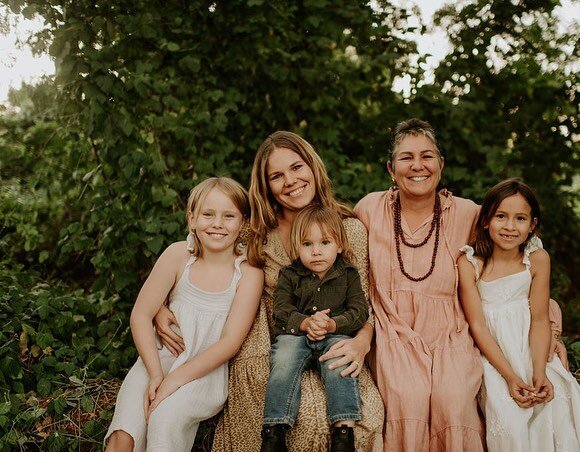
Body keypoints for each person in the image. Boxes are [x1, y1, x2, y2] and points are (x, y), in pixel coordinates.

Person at [154, 132, 384, 452]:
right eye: (277, 176)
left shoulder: (349, 229)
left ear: (312, 167)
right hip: (273, 338)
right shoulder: (256, 233)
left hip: (337, 334)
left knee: (360, 416)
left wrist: (362, 342)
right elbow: (204, 255)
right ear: (266, 187)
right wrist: (162, 303)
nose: (290, 181)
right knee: (305, 419)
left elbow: (363, 302)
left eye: (296, 167)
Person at [354, 118, 568, 452]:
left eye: (427, 156)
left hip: (452, 329)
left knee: (452, 398)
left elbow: (520, 265)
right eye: (406, 157)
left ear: (441, 165)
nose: (417, 165)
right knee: (406, 396)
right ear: (390, 169)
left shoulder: (470, 214)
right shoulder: (370, 209)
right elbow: (338, 258)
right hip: (392, 330)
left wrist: (553, 331)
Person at [105, 177, 264, 451]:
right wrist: (156, 374)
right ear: (191, 218)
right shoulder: (178, 256)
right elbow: (140, 316)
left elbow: (229, 343)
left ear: (243, 223)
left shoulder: (248, 273)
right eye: (208, 214)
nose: (217, 224)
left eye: (229, 216)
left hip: (204, 374)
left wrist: (174, 381)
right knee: (125, 429)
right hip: (158, 360)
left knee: (165, 418)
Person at [457, 178, 580, 452]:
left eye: (520, 218)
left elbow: (541, 319)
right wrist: (509, 376)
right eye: (501, 216)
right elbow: (478, 326)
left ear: (532, 225)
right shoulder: (471, 264)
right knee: (510, 418)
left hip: (532, 349)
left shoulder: (537, 259)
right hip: (494, 358)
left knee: (555, 403)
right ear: (485, 220)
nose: (510, 226)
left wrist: (540, 370)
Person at [261, 204, 369, 452]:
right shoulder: (289, 274)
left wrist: (333, 324)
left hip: (334, 336)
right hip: (296, 336)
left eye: (325, 243)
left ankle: (344, 431)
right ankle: (273, 431)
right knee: (283, 358)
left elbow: (359, 311)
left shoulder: (349, 273)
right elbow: (281, 309)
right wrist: (305, 322)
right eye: (307, 244)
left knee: (340, 363)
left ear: (340, 245)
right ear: (296, 248)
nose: (316, 251)